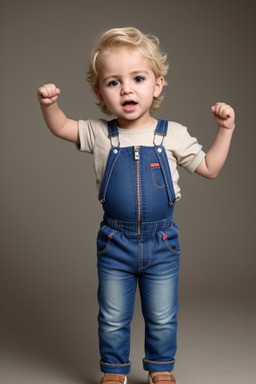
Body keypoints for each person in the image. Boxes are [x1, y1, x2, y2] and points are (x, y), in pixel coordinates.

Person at [37, 27, 235, 384]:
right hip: (115, 243)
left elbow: (210, 168)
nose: (126, 88)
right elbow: (62, 127)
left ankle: (161, 368)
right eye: (113, 82)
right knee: (113, 315)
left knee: (162, 314)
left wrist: (225, 130)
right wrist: (49, 106)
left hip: (162, 244)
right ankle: (114, 371)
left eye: (138, 78)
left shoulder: (172, 133)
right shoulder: (100, 133)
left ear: (156, 85)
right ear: (100, 93)